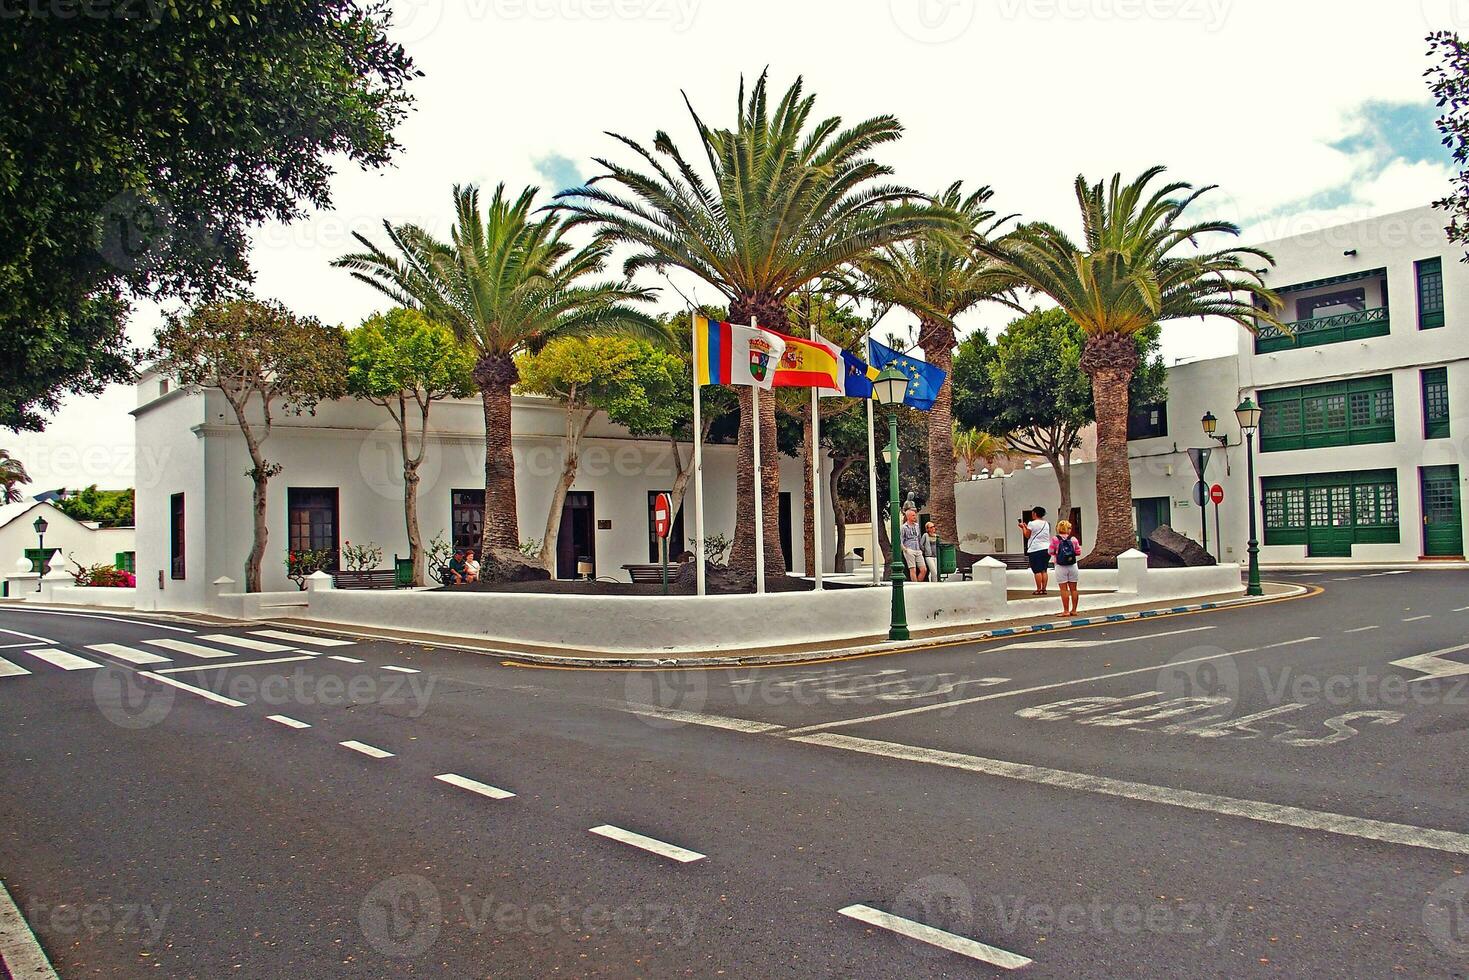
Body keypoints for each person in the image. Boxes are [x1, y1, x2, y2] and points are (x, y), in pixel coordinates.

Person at [1049, 519, 1082, 615]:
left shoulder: (1055, 539)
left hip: (1060, 566)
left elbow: (1050, 552)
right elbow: (1078, 552)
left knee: (1064, 589)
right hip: (1072, 565)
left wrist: (1057, 553)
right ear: (1068, 529)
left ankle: (1066, 611)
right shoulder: (1074, 539)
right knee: (1074, 589)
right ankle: (1074, 610)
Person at [1020, 505, 1052, 595]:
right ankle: (1044, 589)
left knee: (1037, 570)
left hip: (1035, 549)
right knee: (1044, 570)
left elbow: (1027, 535)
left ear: (1034, 513)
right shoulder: (1046, 524)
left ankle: (1038, 589)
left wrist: (1023, 527)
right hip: (1046, 548)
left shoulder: (1032, 523)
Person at [900, 508, 925, 582]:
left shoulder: (917, 526)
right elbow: (900, 540)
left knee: (923, 570)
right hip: (909, 549)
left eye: (915, 515)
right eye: (913, 515)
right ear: (908, 517)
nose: (915, 517)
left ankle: (918, 584)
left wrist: (921, 548)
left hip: (917, 549)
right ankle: (915, 585)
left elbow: (919, 537)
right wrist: (905, 549)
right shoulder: (904, 527)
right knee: (912, 569)